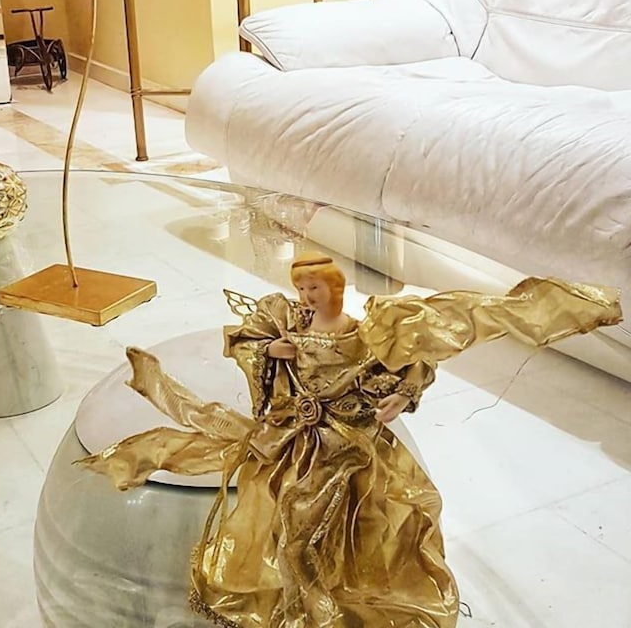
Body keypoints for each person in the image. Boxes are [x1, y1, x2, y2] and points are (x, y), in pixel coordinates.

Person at [78, 254, 621, 628]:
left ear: (334, 288)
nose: (305, 296)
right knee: (289, 528)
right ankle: (307, 605)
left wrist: (400, 397)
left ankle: (326, 605)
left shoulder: (369, 334)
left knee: (364, 525)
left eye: (313, 288)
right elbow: (250, 343)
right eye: (301, 288)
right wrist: (271, 354)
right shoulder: (289, 325)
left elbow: (412, 362)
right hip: (298, 447)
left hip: (350, 449)